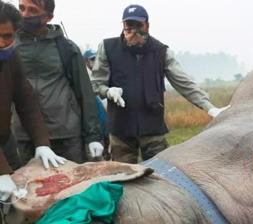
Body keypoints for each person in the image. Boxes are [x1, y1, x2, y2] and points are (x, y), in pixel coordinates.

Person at [92, 4, 230, 163]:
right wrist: (108, 91)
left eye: (138, 25)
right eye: (129, 26)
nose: (134, 30)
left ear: (147, 25)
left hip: (152, 127)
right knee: (122, 177)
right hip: (120, 128)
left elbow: (184, 82)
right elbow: (95, 84)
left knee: (160, 174)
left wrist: (210, 108)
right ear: (123, 25)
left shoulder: (161, 51)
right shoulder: (108, 48)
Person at [12, 0, 103, 164]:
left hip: (65, 136)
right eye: (21, 8)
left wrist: (93, 136)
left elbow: (85, 93)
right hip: (23, 136)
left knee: (72, 186)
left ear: (48, 17)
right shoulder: (8, 46)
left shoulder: (66, 48)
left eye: (32, 10)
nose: (24, 14)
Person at [0, 0, 65, 201]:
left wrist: (41, 142)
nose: (1, 43)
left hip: (4, 140)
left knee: (19, 197)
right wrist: (1, 172)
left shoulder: (10, 57)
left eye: (7, 36)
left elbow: (26, 101)